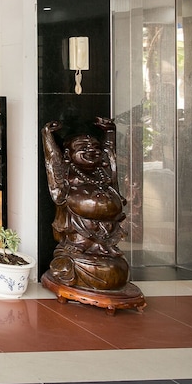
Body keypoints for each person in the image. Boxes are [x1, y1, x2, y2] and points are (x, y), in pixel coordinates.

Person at [42, 117, 129, 291]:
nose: (92, 151)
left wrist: (110, 133)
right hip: (79, 242)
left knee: (118, 269)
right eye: (83, 147)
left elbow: (110, 155)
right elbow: (53, 161)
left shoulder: (104, 175)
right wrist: (47, 136)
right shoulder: (68, 179)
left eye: (96, 148)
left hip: (105, 240)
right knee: (85, 266)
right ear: (68, 155)